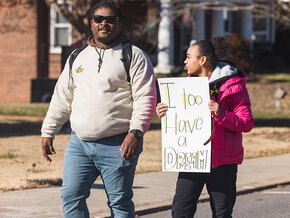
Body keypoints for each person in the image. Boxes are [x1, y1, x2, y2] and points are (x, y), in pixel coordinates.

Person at [41, 1, 157, 217]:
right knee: (70, 196)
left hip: (119, 144)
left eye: (110, 19)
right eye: (99, 19)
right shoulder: (77, 57)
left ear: (119, 24)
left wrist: (136, 132)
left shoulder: (133, 56)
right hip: (80, 145)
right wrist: (49, 131)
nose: (104, 23)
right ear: (91, 24)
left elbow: (146, 98)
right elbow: (62, 97)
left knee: (119, 203)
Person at [156, 39, 254, 218]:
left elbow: (246, 123)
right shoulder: (183, 88)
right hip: (192, 158)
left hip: (223, 162)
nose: (185, 61)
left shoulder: (233, 86)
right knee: (180, 211)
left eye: (188, 57)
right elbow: (179, 120)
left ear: (202, 60)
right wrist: (164, 111)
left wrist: (221, 113)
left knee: (222, 213)